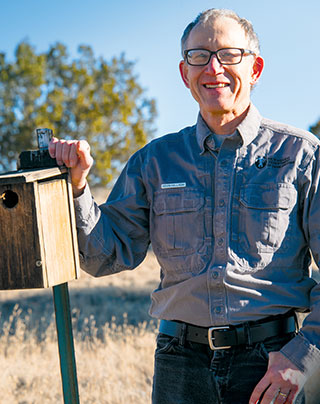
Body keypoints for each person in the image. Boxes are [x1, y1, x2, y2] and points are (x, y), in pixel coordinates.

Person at [49, 8, 320, 404]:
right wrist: (77, 187)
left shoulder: (301, 155)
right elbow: (105, 256)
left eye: (228, 54)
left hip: (273, 363)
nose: (213, 67)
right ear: (184, 73)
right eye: (199, 56)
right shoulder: (154, 161)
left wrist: (305, 353)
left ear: (256, 68)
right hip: (179, 367)